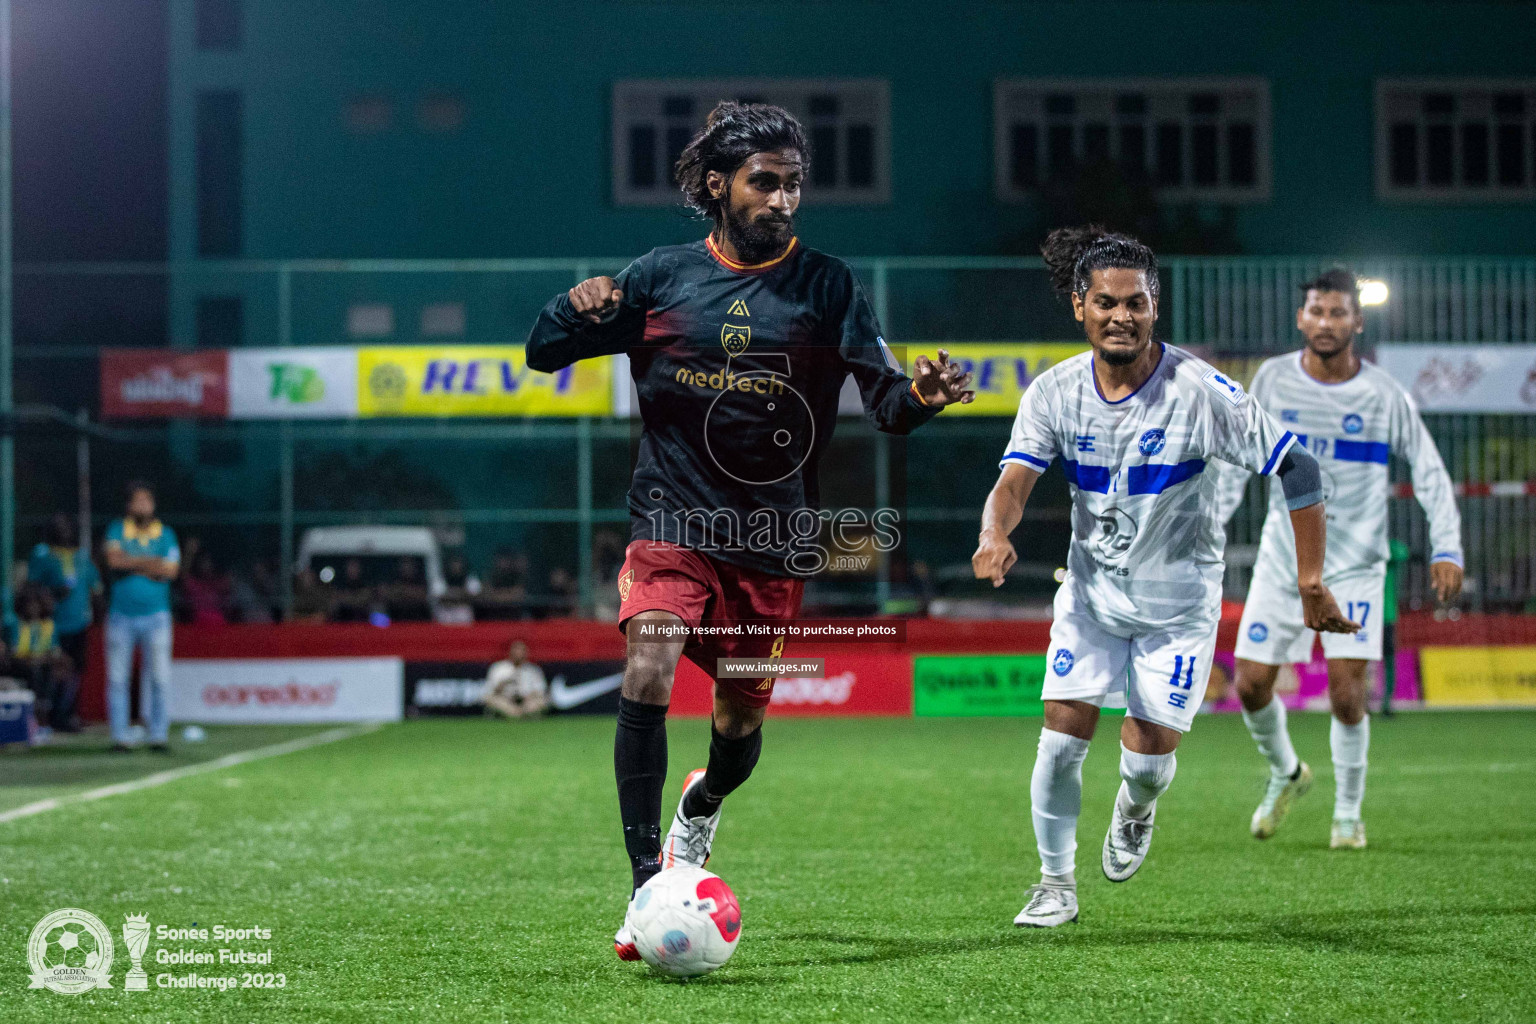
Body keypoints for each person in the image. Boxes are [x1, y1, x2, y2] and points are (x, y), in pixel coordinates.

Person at [525, 101, 974, 960]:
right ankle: (645, 881)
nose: (783, 199)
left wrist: (921, 397)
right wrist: (572, 305)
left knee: (736, 734)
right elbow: (543, 352)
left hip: (771, 544)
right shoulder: (659, 277)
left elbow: (884, 403)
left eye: (794, 184)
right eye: (765, 182)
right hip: (671, 521)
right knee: (649, 659)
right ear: (717, 185)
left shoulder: (828, 285)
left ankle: (700, 808)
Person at [971, 226, 1356, 928]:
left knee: (1146, 762)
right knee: (1060, 736)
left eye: (1137, 303)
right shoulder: (1054, 392)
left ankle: (1136, 808)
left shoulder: (1203, 393)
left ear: (1156, 308)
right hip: (1090, 595)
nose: (1122, 315)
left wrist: (1310, 581)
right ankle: (1055, 884)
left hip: (1178, 607)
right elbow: (1015, 480)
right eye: (1107, 302)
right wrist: (995, 532)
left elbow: (1299, 469)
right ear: (1080, 308)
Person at [1213, 268, 1463, 850]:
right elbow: (1232, 465)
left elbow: (1429, 471)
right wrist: (1208, 530)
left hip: (1354, 565)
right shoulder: (1272, 380)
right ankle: (1286, 773)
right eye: (1316, 312)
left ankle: (1348, 815)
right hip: (1283, 558)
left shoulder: (1383, 395)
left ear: (1357, 321)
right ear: (1301, 319)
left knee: (1348, 694)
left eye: (1338, 313)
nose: (1326, 323)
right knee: (1249, 685)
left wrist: (1447, 546)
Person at [103, 481, 181, 752]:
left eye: (147, 500)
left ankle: (158, 735)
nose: (143, 505)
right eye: (138, 501)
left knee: (160, 677)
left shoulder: (166, 533)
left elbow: (170, 571)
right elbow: (113, 561)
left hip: (157, 616)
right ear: (129, 505)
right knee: (117, 679)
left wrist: (132, 562)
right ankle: (120, 737)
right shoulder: (117, 528)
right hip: (120, 616)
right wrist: (151, 563)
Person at [27, 513, 102, 723]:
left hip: (79, 622)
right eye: (58, 526)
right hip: (51, 624)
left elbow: (95, 587)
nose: (64, 530)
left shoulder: (81, 556)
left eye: (67, 525)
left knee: (75, 669)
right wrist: (53, 593)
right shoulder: (42, 554)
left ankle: (68, 714)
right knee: (54, 668)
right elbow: (32, 586)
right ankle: (48, 715)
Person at [8, 586, 75, 734]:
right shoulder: (16, 624)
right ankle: (37, 720)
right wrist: (35, 659)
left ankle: (57, 719)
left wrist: (48, 659)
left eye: (36, 604)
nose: (33, 608)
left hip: (44, 665)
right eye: (29, 604)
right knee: (36, 672)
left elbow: (55, 652)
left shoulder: (48, 625)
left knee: (57, 673)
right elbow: (14, 654)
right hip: (22, 666)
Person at [482, 639, 548, 718]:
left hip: (526, 702)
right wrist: (504, 683)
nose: (519, 653)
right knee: (491, 700)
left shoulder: (533, 670)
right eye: (516, 649)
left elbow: (540, 690)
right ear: (510, 651)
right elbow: (489, 691)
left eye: (522, 650)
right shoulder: (498, 668)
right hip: (505, 700)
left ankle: (518, 713)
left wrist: (529, 696)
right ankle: (515, 713)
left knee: (542, 701)